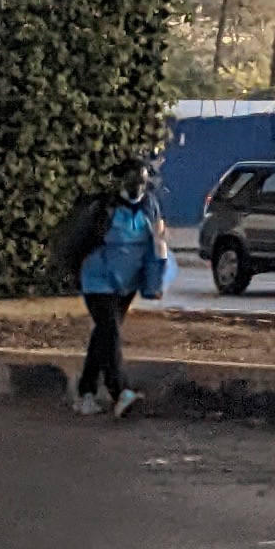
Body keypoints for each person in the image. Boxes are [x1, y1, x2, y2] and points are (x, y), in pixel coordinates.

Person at [66, 159, 171, 418]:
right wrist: (72, 274)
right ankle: (120, 392)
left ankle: (85, 393)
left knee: (103, 336)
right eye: (134, 180)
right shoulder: (104, 209)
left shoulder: (149, 208)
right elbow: (81, 243)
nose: (138, 186)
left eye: (143, 181)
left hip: (126, 286)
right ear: (121, 180)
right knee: (109, 331)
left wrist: (153, 285)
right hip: (98, 280)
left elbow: (154, 249)